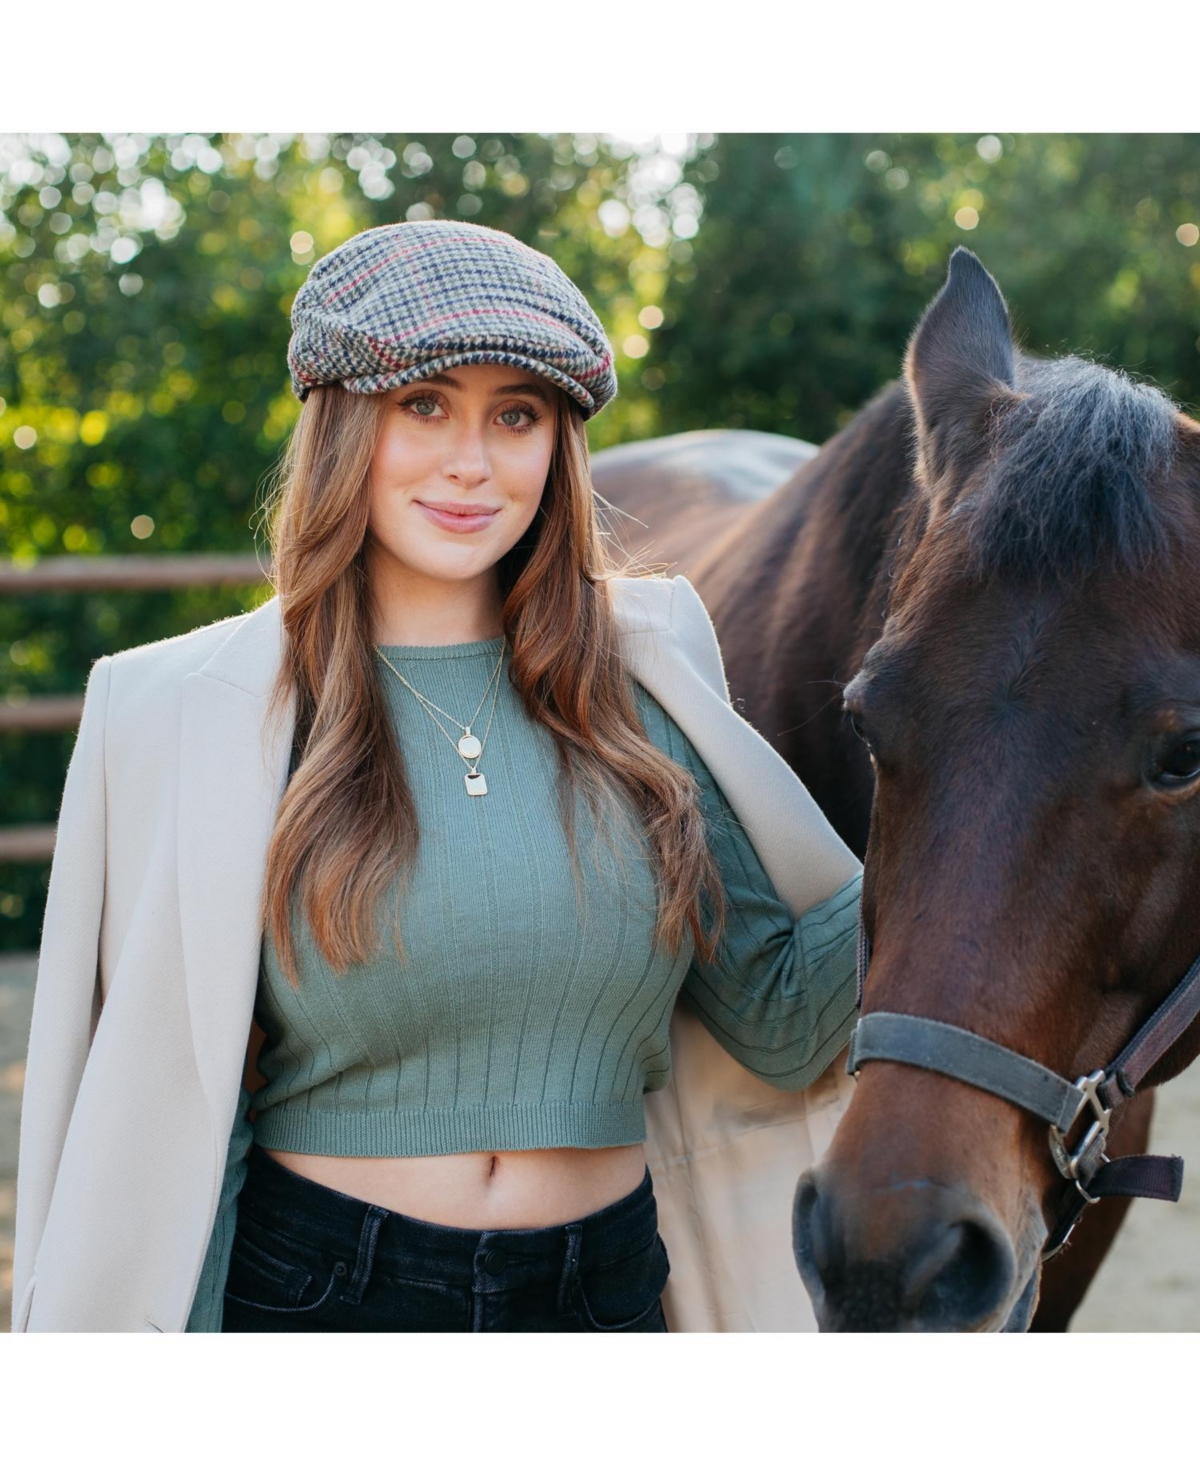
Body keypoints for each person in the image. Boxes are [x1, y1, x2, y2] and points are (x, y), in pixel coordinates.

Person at [13, 219, 862, 1334]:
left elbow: (786, 1019)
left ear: (559, 446)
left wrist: (948, 826)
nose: (473, 461)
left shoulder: (643, 678)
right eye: (426, 405)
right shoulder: (197, 709)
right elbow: (169, 1123)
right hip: (323, 1292)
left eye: (517, 415)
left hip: (605, 1295)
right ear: (344, 424)